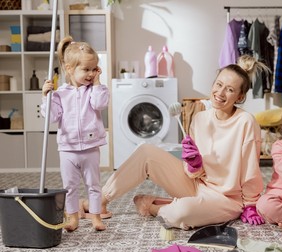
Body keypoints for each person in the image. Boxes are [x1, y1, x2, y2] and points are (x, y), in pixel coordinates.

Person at [87, 55, 268, 230]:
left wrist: (251, 204)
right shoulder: (199, 119)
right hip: (197, 186)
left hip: (227, 199)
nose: (220, 93)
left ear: (240, 97)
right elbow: (194, 174)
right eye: (219, 84)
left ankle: (152, 205)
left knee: (181, 213)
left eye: (229, 89)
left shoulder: (246, 122)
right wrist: (193, 164)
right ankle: (98, 202)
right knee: (146, 152)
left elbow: (250, 168)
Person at [41, 36, 110, 231]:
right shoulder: (60, 93)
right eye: (86, 70)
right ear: (70, 69)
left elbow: (100, 104)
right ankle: (73, 218)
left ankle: (95, 217)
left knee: (94, 185)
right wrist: (46, 97)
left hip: (90, 147)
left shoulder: (95, 90)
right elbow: (52, 117)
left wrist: (97, 82)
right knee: (70, 187)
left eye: (93, 69)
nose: (90, 74)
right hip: (68, 148)